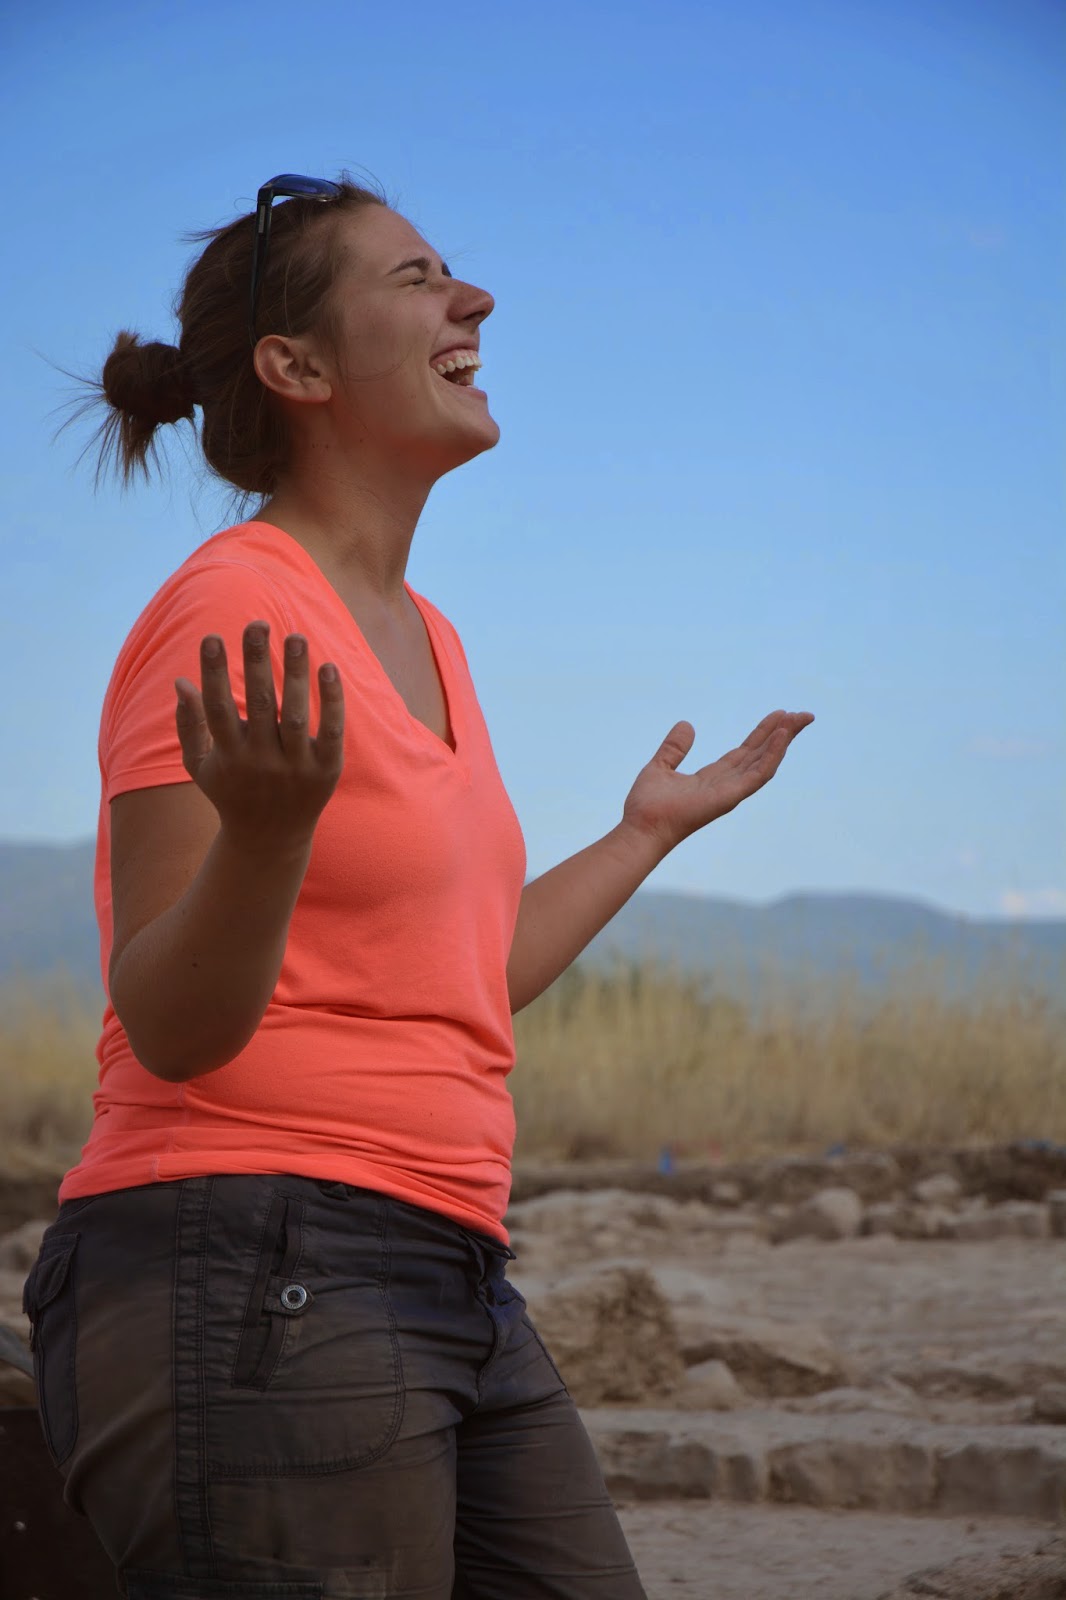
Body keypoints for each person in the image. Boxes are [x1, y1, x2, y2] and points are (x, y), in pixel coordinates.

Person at [23, 172, 814, 1600]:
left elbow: (459, 979)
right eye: (416, 278)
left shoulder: (431, 637)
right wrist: (266, 839)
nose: (474, 299)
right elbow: (169, 1024)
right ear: (298, 368)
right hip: (249, 1247)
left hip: (445, 1257)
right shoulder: (234, 603)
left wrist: (639, 838)